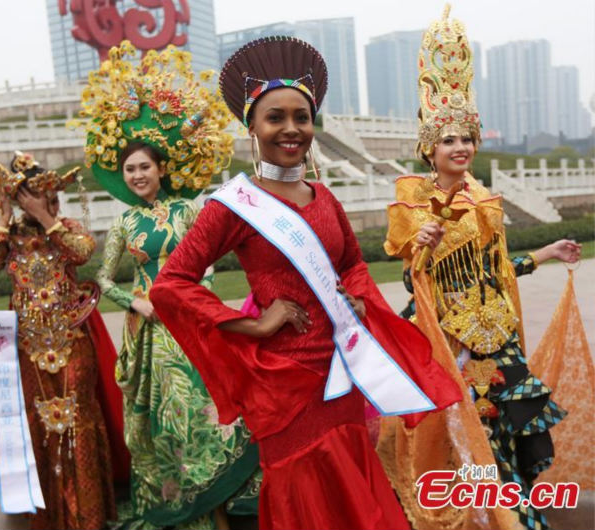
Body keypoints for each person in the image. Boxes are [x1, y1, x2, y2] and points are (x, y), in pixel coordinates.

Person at [148, 36, 462, 530]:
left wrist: (358, 297)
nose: (291, 129)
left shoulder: (324, 196)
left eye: (302, 117)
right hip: (285, 381)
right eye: (276, 117)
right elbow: (171, 284)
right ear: (252, 126)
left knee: (352, 483)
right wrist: (248, 324)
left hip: (339, 373)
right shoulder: (231, 205)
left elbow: (353, 264)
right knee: (303, 492)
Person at [376, 7, 580, 530]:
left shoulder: (485, 199)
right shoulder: (410, 203)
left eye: (467, 138)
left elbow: (497, 272)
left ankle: (515, 513)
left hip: (498, 334)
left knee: (516, 424)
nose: (461, 147)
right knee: (466, 435)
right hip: (450, 341)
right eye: (449, 140)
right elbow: (411, 276)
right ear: (430, 148)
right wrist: (422, 242)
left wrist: (545, 254)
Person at [83, 41, 261, 528]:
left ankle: (224, 502)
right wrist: (134, 302)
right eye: (129, 170)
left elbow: (213, 257)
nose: (138, 175)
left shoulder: (191, 209)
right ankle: (191, 510)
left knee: (218, 405)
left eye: (145, 167)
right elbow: (100, 277)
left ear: (162, 169)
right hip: (152, 330)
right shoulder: (123, 225)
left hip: (195, 316)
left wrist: (196, 288)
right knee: (172, 414)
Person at [0, 152, 128, 529]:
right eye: (23, 195)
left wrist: (47, 219)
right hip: (29, 347)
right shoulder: (10, 240)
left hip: (71, 339)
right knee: (40, 422)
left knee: (78, 418)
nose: (30, 201)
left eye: (37, 194)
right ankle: (48, 514)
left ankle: (88, 514)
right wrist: (3, 221)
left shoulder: (65, 228)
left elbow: (83, 252)